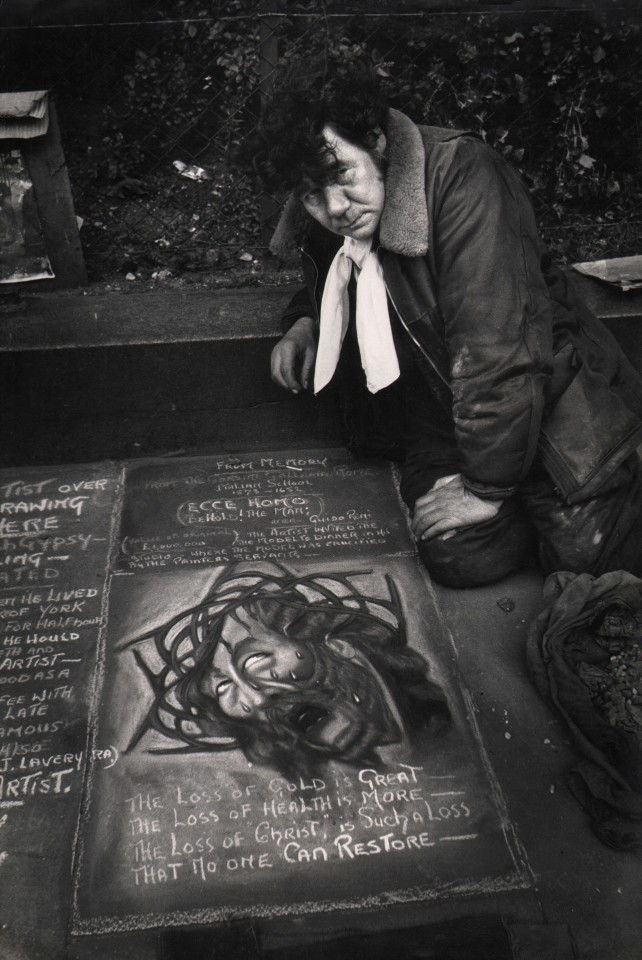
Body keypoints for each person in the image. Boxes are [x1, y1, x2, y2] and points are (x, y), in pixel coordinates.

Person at [245, 61, 642, 588]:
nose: (334, 208)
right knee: (457, 557)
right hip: (442, 413)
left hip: (550, 403)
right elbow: (340, 270)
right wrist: (304, 322)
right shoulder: (329, 200)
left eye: (343, 177)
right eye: (312, 196)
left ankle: (563, 482)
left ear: (378, 143)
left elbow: (498, 349)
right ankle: (513, 488)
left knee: (590, 558)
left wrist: (483, 491)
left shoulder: (463, 175)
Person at [126, 565, 450, 775]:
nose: (254, 697)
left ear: (334, 645)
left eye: (255, 660)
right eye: (223, 687)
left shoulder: (426, 719)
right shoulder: (304, 770)